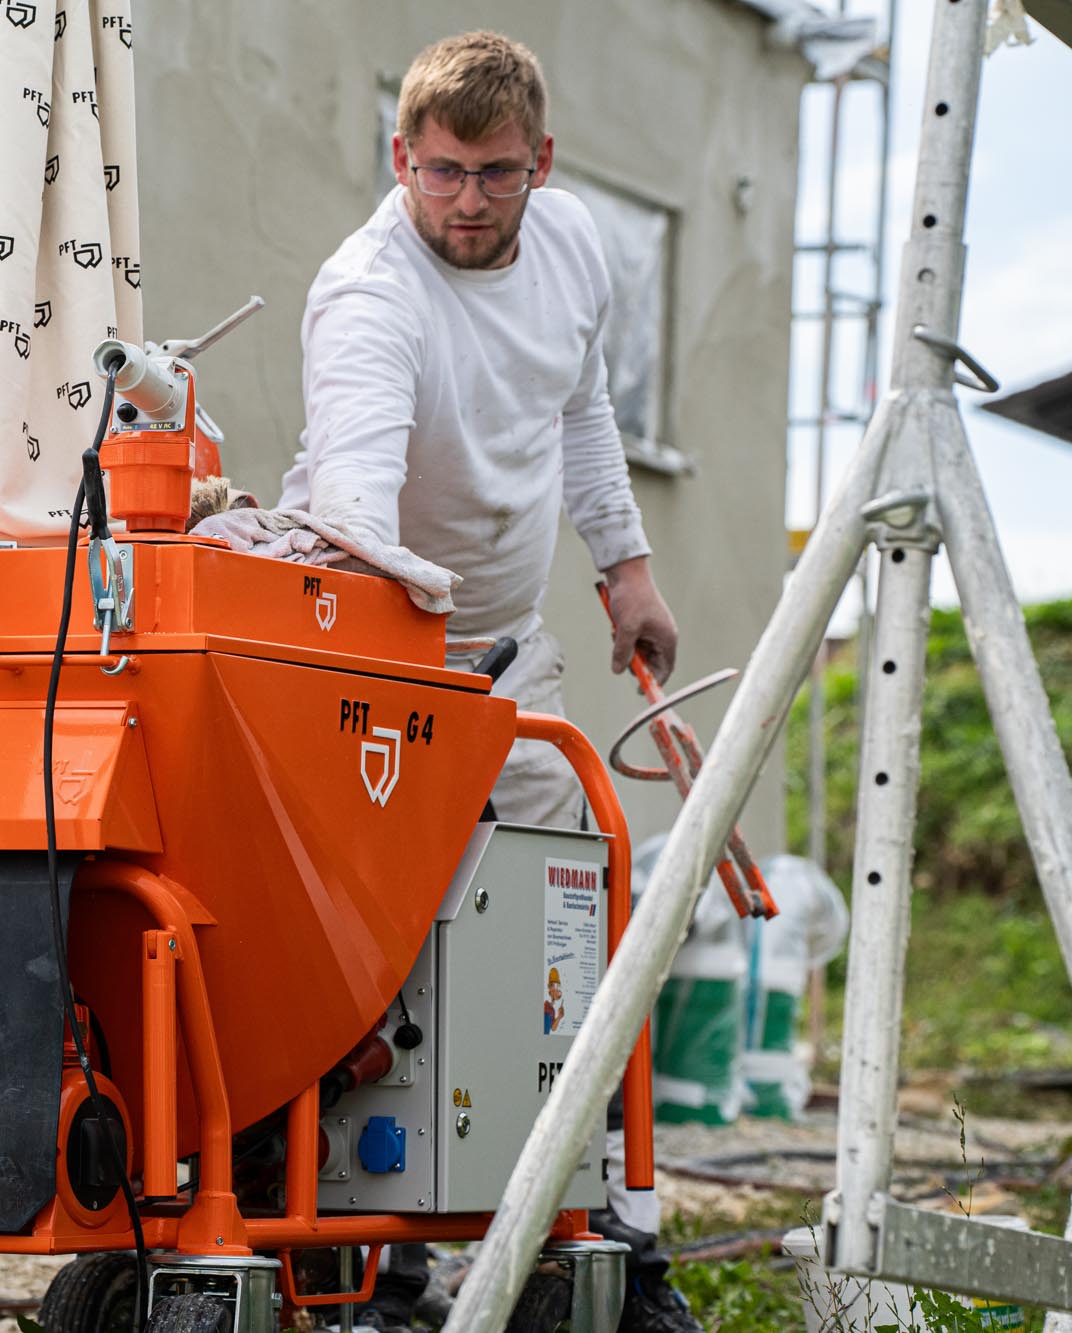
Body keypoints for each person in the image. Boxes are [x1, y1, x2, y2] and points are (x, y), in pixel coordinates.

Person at [279, 30, 696, 1333]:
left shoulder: (569, 246)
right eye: (443, 171)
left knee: (558, 932)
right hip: (370, 645)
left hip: (510, 652)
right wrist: (415, 670)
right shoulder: (369, 296)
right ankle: (380, 1268)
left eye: (496, 173)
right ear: (401, 156)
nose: (467, 200)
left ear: (542, 164)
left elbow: (582, 409)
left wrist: (626, 567)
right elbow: (355, 499)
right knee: (377, 960)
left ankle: (588, 1225)